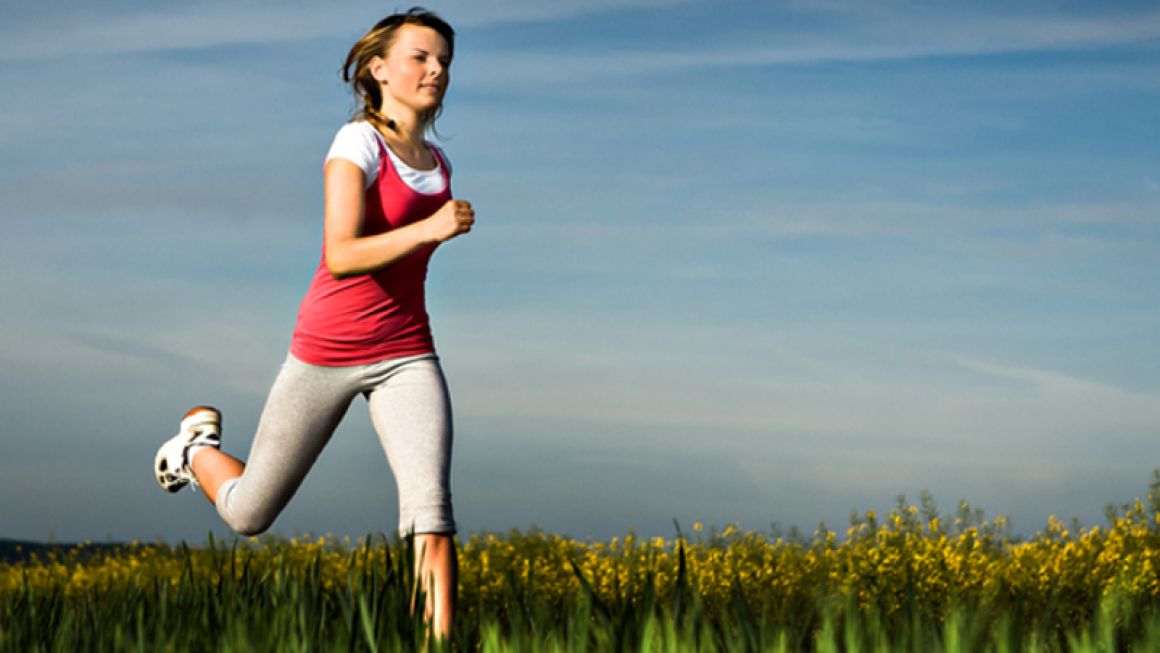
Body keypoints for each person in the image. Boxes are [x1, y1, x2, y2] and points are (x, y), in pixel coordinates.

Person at [153, 7, 472, 638]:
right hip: (327, 352)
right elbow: (341, 254)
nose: (436, 69)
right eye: (421, 57)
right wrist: (429, 228)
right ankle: (195, 452)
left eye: (444, 60)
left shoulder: (436, 161)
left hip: (408, 352)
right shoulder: (356, 143)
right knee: (250, 514)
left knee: (430, 514)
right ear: (379, 69)